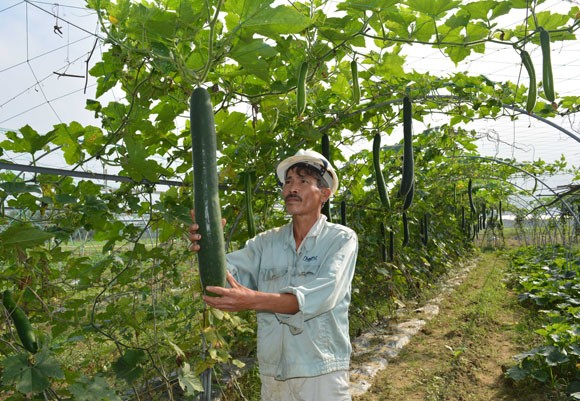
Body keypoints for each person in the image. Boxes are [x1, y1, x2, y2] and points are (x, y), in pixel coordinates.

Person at [189, 149, 358, 401]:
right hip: (273, 373)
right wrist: (209, 244)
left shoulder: (341, 239)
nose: (292, 188)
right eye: (288, 181)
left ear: (324, 194)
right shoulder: (266, 243)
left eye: (303, 181)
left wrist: (253, 300)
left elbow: (324, 294)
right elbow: (223, 281)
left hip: (321, 372)